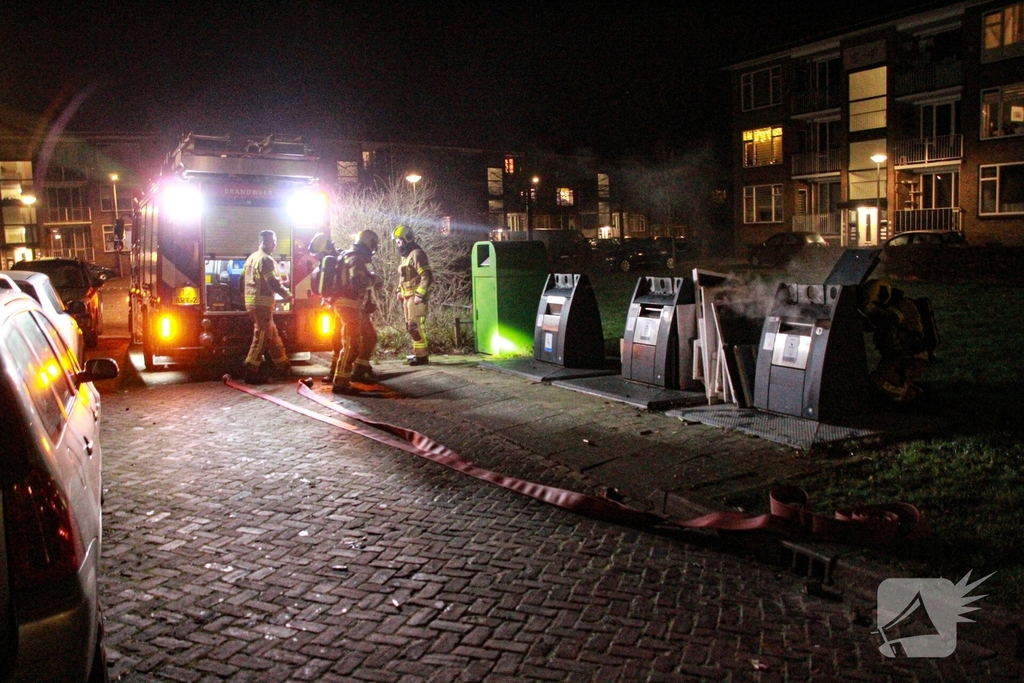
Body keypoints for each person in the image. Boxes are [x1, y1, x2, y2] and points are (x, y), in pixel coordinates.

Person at [860, 278, 930, 402]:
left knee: (878, 385)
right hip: (895, 359)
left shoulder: (904, 305)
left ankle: (914, 397)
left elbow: (889, 318)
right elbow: (870, 325)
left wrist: (870, 310)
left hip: (910, 359)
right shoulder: (887, 309)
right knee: (872, 384)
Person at [330, 230, 382, 395]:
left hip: (353, 305)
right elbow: (356, 282)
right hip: (348, 305)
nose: (374, 248)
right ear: (369, 243)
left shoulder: (353, 257)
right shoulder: (355, 259)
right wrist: (374, 280)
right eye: (373, 244)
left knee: (369, 336)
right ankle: (341, 382)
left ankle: (360, 370)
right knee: (351, 344)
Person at [242, 230, 291, 384]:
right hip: (261, 304)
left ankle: (283, 366)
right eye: (272, 241)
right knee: (262, 336)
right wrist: (288, 296)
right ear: (264, 242)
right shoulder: (266, 260)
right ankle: (251, 369)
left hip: (253, 303)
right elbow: (273, 283)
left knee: (272, 335)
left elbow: (241, 279)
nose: (275, 244)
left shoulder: (251, 258)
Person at [393, 224, 433, 366]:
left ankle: (422, 357)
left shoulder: (417, 253)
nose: (398, 245)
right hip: (407, 296)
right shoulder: (405, 257)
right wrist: (399, 291)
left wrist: (420, 295)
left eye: (399, 241)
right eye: (397, 242)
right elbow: (403, 277)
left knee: (414, 326)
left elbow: (426, 276)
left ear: (407, 239)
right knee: (410, 326)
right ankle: (418, 354)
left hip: (415, 297)